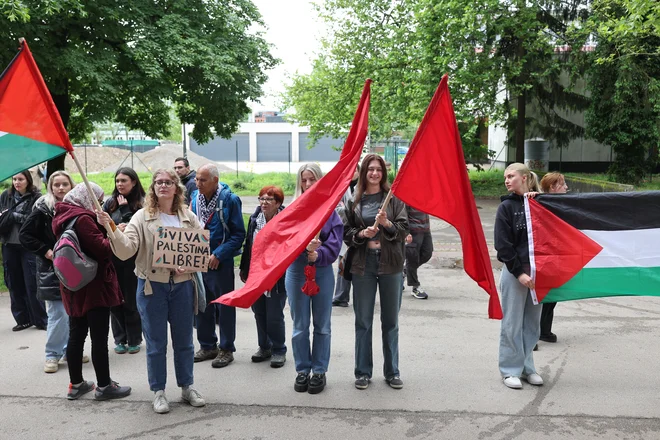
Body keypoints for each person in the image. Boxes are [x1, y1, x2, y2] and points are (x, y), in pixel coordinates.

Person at [97, 169, 206, 414]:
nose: (163, 185)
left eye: (168, 182)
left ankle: (187, 387)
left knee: (185, 342)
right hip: (151, 287)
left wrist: (187, 264)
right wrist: (112, 228)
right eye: (158, 182)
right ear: (153, 188)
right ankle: (158, 392)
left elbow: (201, 254)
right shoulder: (141, 217)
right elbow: (126, 251)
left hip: (182, 287)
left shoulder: (188, 217)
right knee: (156, 344)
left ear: (176, 188)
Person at [52, 183, 132, 401]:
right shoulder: (83, 219)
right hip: (94, 284)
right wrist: (114, 231)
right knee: (98, 337)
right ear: (87, 198)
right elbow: (103, 249)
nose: (98, 203)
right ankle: (105, 386)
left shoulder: (62, 215)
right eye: (97, 198)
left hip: (73, 283)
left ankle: (76, 384)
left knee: (76, 334)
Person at [343, 154, 408, 390]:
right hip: (363, 264)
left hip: (390, 263)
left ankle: (392, 372)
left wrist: (387, 224)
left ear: (384, 172)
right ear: (364, 172)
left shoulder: (394, 199)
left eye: (378, 169)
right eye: (370, 169)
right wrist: (362, 234)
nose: (374, 173)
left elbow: (403, 230)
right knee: (363, 321)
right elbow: (346, 232)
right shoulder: (354, 200)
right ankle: (362, 372)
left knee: (390, 321)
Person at [19, 171, 90, 373]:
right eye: (56, 184)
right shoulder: (43, 207)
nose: (60, 188)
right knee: (57, 313)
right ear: (50, 187)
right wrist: (46, 251)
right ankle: (52, 354)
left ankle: (70, 350)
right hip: (51, 269)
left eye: (64, 184)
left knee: (74, 312)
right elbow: (25, 235)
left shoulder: (78, 206)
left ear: (71, 186)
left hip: (75, 267)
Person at [286, 163, 343, 394]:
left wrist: (318, 253)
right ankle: (302, 370)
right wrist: (302, 248)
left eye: (312, 179)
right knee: (299, 325)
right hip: (297, 271)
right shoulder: (292, 209)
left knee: (322, 325)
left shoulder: (330, 211)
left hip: (321, 271)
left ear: (319, 181)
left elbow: (336, 242)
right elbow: (284, 240)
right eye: (304, 179)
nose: (308, 184)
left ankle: (319, 371)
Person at [191, 164, 246, 368]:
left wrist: (219, 254)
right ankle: (207, 345)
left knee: (224, 305)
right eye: (196, 179)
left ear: (215, 180)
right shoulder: (196, 199)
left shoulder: (230, 200)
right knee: (201, 304)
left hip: (220, 262)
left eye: (202, 180)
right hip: (198, 260)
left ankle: (226, 348)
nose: (198, 183)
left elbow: (238, 234)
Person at [495, 162, 543, 390]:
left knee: (532, 323)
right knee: (512, 322)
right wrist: (519, 273)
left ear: (524, 178)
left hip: (539, 272)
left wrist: (539, 201)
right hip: (516, 272)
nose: (506, 180)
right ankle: (510, 370)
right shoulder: (506, 208)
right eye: (505, 176)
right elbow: (502, 245)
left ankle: (527, 368)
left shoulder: (539, 203)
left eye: (511, 176)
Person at [240, 186, 288, 368]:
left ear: (278, 203)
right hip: (256, 274)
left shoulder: (284, 220)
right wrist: (245, 269)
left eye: (269, 200)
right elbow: (248, 244)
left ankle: (279, 349)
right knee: (259, 311)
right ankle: (264, 347)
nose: (264, 203)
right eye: (261, 199)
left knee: (274, 314)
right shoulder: (254, 219)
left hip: (276, 276)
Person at [103, 167, 146, 355]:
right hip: (112, 259)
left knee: (131, 300)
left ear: (134, 182)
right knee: (115, 300)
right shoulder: (109, 204)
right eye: (117, 181)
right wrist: (112, 227)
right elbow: (101, 226)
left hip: (133, 259)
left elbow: (144, 229)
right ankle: (119, 338)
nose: (119, 184)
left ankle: (135, 338)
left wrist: (126, 215)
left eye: (124, 181)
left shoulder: (142, 204)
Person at [0, 170, 47, 331]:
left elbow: (35, 220)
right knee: (13, 282)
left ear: (28, 180)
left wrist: (13, 216)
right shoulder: (6, 196)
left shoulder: (36, 197)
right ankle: (22, 319)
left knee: (32, 282)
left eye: (20, 179)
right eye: (14, 179)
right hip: (9, 244)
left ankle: (40, 319)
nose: (16, 182)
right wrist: (10, 216)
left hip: (28, 246)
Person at [538, 172, 568, 344]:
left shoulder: (561, 204)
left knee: (551, 296)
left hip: (555, 256)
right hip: (546, 256)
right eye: (563, 185)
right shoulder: (539, 203)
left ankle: (544, 330)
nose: (566, 188)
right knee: (540, 297)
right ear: (553, 187)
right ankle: (533, 334)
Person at [332, 164, 360, 308]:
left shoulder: (364, 187)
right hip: (344, 231)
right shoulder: (340, 188)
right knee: (343, 264)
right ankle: (341, 297)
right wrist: (350, 209)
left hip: (361, 231)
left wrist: (348, 209)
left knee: (360, 265)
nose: (353, 172)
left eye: (356, 169)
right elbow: (336, 209)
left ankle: (362, 296)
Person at [404, 205, 433, 299]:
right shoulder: (406, 195)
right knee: (412, 259)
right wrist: (406, 232)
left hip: (425, 229)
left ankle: (405, 271)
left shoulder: (423, 194)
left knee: (427, 253)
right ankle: (415, 287)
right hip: (413, 231)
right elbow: (402, 215)